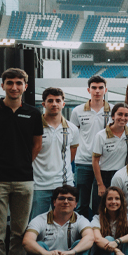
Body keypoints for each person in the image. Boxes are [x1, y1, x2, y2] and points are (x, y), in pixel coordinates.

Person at [0, 69, 43, 255]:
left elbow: (37, 144)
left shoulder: (33, 113)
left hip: (23, 180)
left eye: (19, 83)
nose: (14, 87)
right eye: (10, 83)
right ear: (3, 86)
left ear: (25, 86)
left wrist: (21, 164)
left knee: (19, 233)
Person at [31, 87, 79, 219]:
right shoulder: (33, 127)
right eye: (50, 101)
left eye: (58, 100)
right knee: (36, 223)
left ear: (63, 104)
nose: (54, 104)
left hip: (64, 184)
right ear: (43, 104)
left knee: (65, 222)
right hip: (38, 185)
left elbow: (71, 154)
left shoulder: (72, 129)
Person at [70, 75, 110, 219]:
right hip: (83, 163)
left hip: (104, 163)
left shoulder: (112, 111)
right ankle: (82, 235)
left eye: (100, 88)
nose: (97, 91)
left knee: (100, 204)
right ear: (88, 90)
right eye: (94, 88)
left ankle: (98, 234)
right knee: (81, 204)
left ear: (105, 89)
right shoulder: (78, 111)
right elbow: (73, 135)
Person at [90, 103, 128, 215]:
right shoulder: (101, 135)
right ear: (113, 116)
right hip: (103, 175)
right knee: (99, 210)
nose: (123, 118)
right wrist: (100, 184)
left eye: (126, 115)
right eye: (120, 114)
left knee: (119, 209)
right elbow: (95, 161)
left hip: (122, 176)